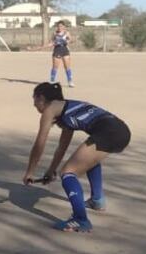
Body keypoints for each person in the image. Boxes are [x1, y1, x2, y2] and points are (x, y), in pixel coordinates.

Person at [23, 82, 131, 233]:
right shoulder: (67, 110)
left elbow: (40, 143)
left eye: (34, 99)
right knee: (88, 160)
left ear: (41, 97)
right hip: (121, 131)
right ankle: (97, 201)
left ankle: (80, 219)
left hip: (109, 132)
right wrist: (50, 171)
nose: (34, 105)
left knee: (68, 172)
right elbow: (62, 147)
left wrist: (30, 172)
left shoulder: (50, 109)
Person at [34, 20, 74, 87]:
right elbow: (51, 42)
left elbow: (71, 40)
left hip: (65, 50)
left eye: (61, 26)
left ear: (64, 26)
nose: (59, 27)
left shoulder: (67, 33)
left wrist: (66, 41)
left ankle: (70, 81)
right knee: (55, 67)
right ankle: (52, 80)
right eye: (58, 26)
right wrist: (42, 47)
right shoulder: (54, 33)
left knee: (67, 67)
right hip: (57, 50)